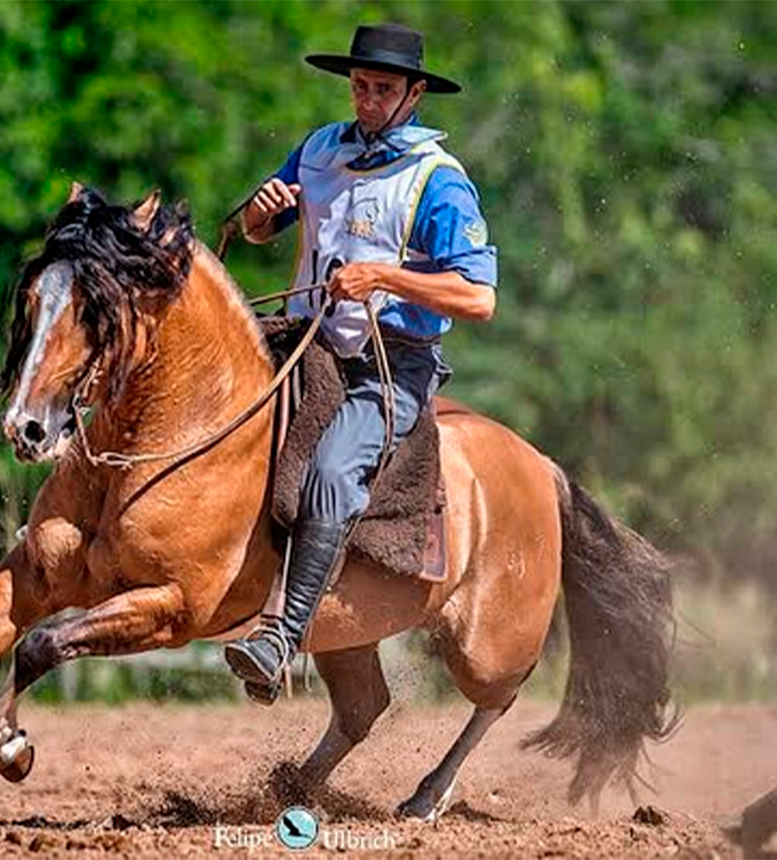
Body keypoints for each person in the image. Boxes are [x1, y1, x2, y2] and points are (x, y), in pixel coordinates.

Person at [223, 22, 498, 698]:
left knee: (331, 473)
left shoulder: (439, 182)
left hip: (389, 365)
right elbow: (257, 228)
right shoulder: (319, 149)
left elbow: (479, 297)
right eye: (359, 87)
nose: (366, 101)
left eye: (381, 90)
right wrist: (257, 214)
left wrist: (386, 279)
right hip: (305, 340)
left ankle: (281, 638)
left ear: (413, 95)